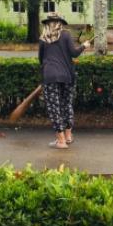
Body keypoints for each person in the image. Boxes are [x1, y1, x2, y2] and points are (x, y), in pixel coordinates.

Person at [38, 13, 91, 149]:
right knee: (67, 105)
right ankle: (68, 136)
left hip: (50, 76)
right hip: (67, 75)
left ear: (47, 24)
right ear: (60, 23)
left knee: (54, 108)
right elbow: (74, 53)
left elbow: (41, 59)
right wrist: (84, 45)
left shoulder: (43, 39)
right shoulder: (66, 35)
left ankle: (61, 141)